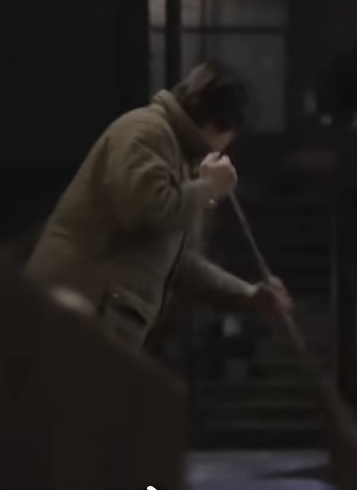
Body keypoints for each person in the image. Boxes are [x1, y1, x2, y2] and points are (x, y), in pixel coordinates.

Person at [25, 60, 291, 349]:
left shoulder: (175, 150)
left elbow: (178, 262)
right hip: (75, 317)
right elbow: (146, 213)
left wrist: (248, 295)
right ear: (218, 124)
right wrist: (209, 188)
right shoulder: (147, 132)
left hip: (91, 319)